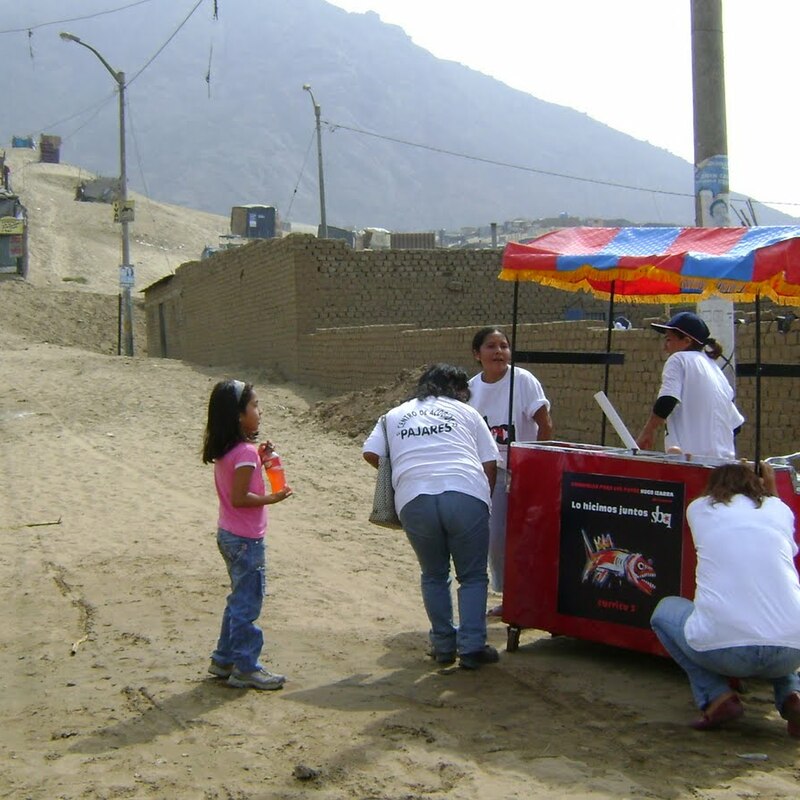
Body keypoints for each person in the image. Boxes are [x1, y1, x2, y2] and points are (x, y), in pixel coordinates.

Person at [362, 364, 500, 670]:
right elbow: (489, 462)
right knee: (473, 576)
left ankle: (442, 645)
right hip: (465, 493)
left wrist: (403, 473)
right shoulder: (467, 413)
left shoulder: (394, 415)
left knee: (434, 574)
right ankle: (472, 647)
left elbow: (371, 452)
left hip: (414, 500)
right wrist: (483, 500)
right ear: (457, 389)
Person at [651, 462, 800, 735]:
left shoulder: (700, 509)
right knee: (776, 614)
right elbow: (786, 538)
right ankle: (793, 692)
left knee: (663, 612)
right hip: (792, 653)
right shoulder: (779, 510)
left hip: (725, 651)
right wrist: (771, 488)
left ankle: (716, 695)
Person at [202, 379, 292, 690]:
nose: (260, 411)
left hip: (230, 534)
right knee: (248, 604)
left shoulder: (231, 450)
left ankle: (224, 658)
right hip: (245, 539)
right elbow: (241, 497)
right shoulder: (244, 454)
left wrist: (260, 452)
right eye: (254, 406)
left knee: (238, 599)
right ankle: (246, 667)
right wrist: (272, 498)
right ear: (238, 415)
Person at [467, 327, 553, 616]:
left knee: (517, 535)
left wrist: (537, 464)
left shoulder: (523, 381)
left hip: (521, 470)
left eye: (504, 345)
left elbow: (545, 424)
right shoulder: (471, 389)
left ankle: (520, 596)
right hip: (486, 472)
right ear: (477, 354)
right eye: (491, 346)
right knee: (494, 537)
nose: (499, 352)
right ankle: (508, 594)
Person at [636, 311, 744, 459]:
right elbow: (735, 425)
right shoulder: (714, 368)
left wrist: (648, 431)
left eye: (668, 340)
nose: (665, 347)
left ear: (687, 341)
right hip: (724, 466)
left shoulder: (678, 359)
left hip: (692, 462)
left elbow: (668, 400)